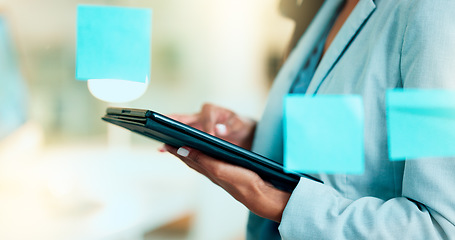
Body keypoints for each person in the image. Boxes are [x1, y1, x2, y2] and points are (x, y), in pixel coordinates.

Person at [163, 0, 455, 239]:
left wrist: (277, 202)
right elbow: (341, 160)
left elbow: (438, 228)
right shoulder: (330, 8)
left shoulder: (430, 12)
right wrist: (254, 139)